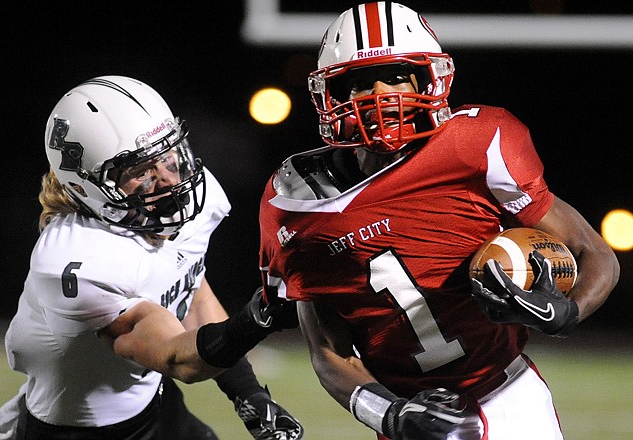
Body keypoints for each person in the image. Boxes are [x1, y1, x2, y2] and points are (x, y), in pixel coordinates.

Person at [257, 2, 619, 440]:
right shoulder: (295, 204)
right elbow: (328, 351)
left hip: (506, 396)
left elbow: (594, 253)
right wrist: (389, 415)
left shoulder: (474, 146)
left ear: (429, 78)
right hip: (408, 414)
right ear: (332, 95)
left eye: (395, 75)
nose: (380, 94)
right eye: (359, 82)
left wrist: (566, 311)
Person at [0, 75, 302, 440]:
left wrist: (246, 393)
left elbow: (189, 286)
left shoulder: (191, 199)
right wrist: (258, 318)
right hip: (75, 432)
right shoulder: (79, 259)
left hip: (154, 405)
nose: (169, 182)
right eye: (140, 172)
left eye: (167, 157)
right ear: (87, 187)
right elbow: (177, 357)